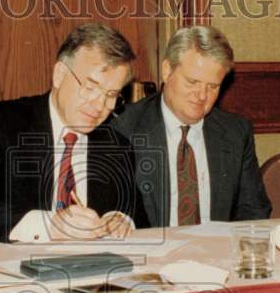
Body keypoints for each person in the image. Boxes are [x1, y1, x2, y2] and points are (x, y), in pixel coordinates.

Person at [0, 23, 147, 242]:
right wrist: (48, 226)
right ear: (59, 74)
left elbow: (141, 221)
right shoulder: (0, 123)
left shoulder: (117, 145)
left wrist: (121, 219)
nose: (99, 105)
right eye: (90, 87)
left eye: (111, 94)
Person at [111, 25, 271, 225]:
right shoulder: (125, 129)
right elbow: (116, 214)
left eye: (212, 86)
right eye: (192, 82)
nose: (202, 96)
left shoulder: (236, 132)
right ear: (167, 70)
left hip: (218, 251)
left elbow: (254, 210)